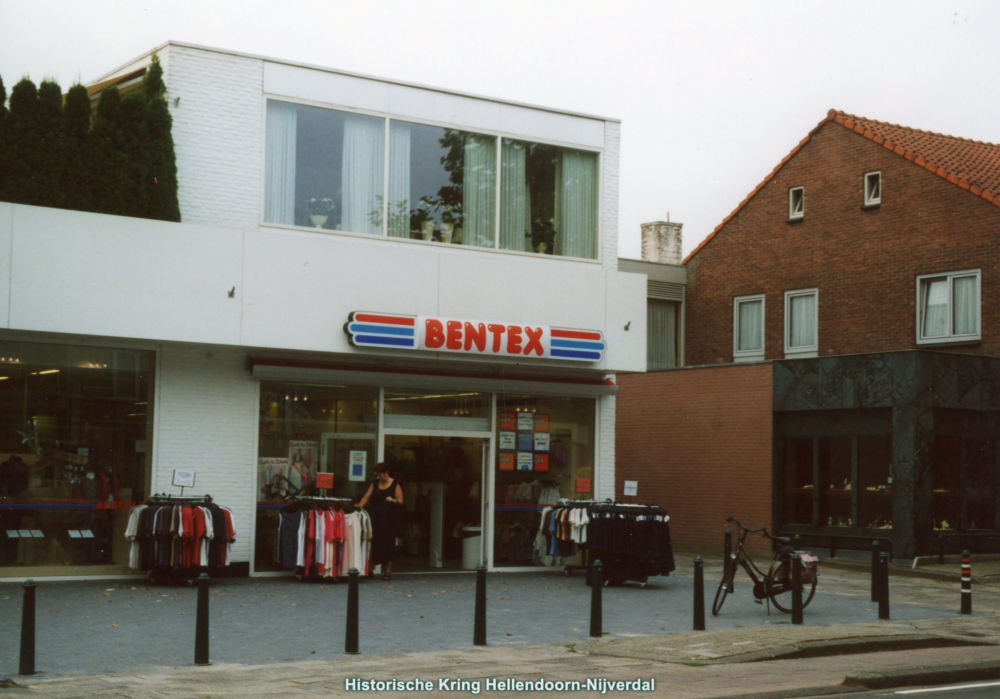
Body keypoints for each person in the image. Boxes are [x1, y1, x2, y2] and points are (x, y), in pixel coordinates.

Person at [356, 462, 404, 580]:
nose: (379, 477)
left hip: (388, 520)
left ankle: (387, 571)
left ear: (386, 473)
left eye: (380, 475)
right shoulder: (375, 483)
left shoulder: (395, 484)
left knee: (388, 543)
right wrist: (358, 508)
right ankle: (371, 569)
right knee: (373, 542)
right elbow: (367, 496)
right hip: (375, 518)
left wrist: (393, 500)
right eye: (377, 475)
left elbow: (401, 501)